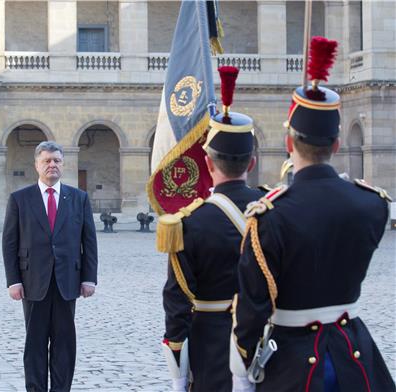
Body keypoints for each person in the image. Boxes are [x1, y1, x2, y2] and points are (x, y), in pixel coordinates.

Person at [230, 37, 395, 391]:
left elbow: (252, 308)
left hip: (292, 359)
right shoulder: (373, 204)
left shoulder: (270, 215)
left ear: (289, 143)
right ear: (336, 145)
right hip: (355, 354)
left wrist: (244, 365)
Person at [161, 66, 263, 392]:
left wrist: (178, 378)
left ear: (207, 165)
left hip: (210, 345)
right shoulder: (276, 213)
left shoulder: (189, 223)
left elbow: (176, 306)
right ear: (251, 163)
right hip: (267, 342)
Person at [2, 141, 98, 392]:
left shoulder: (79, 198)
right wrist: (13, 280)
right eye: (47, 160)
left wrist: (89, 278)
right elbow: (10, 243)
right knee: (35, 343)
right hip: (33, 281)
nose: (52, 165)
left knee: (64, 343)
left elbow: (89, 241)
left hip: (68, 281)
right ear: (37, 165)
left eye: (56, 160)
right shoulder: (20, 199)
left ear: (63, 165)